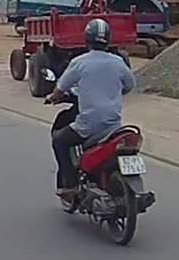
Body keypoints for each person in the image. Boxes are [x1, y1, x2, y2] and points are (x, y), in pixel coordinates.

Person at [45, 18, 136, 198]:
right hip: (113, 126)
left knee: (59, 141)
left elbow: (60, 88)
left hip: (88, 125)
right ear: (108, 40)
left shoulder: (79, 62)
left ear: (87, 40)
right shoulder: (118, 62)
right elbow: (130, 85)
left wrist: (52, 97)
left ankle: (71, 184)